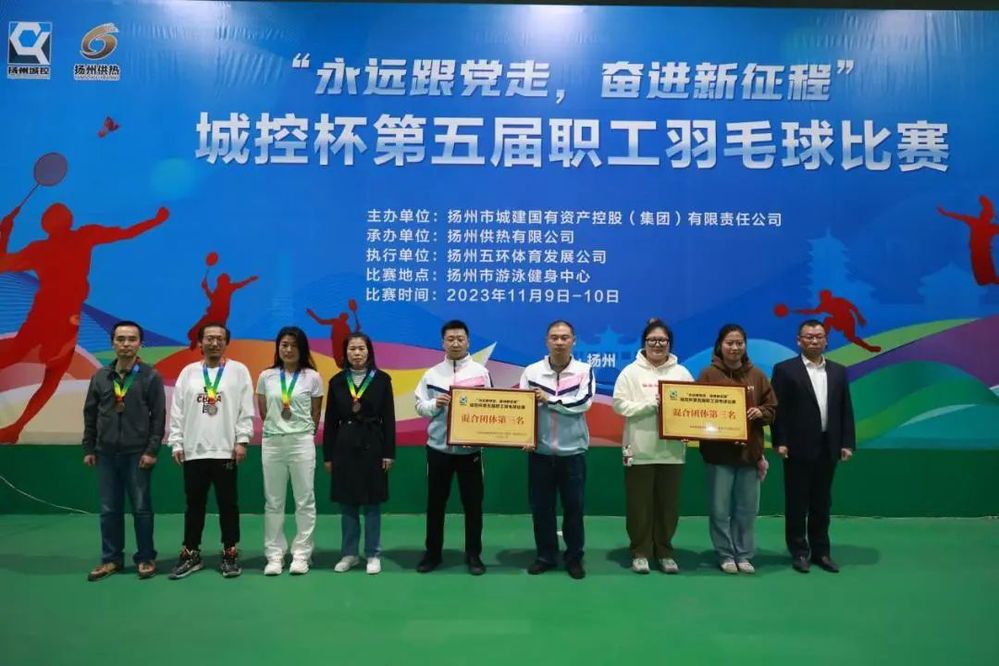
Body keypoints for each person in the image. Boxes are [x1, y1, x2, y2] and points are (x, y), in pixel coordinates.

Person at [167, 322, 254, 579]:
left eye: (219, 338)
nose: (214, 343)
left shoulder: (238, 371)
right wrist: (176, 442)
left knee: (228, 504)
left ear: (226, 342)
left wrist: (242, 440)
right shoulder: (188, 373)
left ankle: (230, 552)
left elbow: (246, 409)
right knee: (194, 504)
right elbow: (177, 410)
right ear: (200, 342)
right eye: (209, 338)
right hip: (194, 450)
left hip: (226, 450)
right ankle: (191, 552)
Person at [82, 321, 166, 581]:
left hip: (137, 454)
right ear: (113, 343)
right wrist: (89, 447)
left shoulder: (150, 376)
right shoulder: (100, 376)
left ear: (140, 343)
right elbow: (90, 413)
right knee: (109, 509)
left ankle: (146, 557)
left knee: (141, 509)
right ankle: (111, 559)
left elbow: (158, 417)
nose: (126, 344)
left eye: (131, 339)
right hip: (105, 454)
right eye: (121, 339)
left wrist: (151, 450)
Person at [771, 319, 856, 574]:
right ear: (799, 341)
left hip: (828, 446)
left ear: (826, 340)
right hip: (796, 447)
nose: (814, 341)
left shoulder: (838, 371)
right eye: (808, 337)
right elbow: (778, 410)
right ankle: (799, 551)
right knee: (797, 502)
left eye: (819, 336)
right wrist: (780, 441)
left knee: (822, 502)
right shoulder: (785, 370)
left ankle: (821, 552)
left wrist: (847, 442)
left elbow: (845, 409)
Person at [612, 318, 693, 574]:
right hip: (638, 450)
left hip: (672, 452)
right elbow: (619, 405)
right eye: (652, 340)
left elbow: (691, 408)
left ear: (670, 344)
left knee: (668, 506)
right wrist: (651, 405)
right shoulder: (630, 372)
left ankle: (665, 552)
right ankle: (640, 552)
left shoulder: (682, 374)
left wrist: (689, 429)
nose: (657, 345)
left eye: (662, 340)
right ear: (644, 343)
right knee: (639, 506)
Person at [696, 324, 777, 575]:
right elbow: (695, 410)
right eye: (729, 343)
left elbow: (772, 408)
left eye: (739, 343)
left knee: (747, 510)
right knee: (719, 509)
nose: (734, 347)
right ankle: (725, 554)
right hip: (718, 455)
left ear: (745, 346)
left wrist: (760, 412)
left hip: (749, 455)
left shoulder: (757, 376)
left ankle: (744, 554)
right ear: (720, 345)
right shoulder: (708, 375)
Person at [413, 319, 492, 575]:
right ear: (442, 343)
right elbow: (419, 406)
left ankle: (474, 555)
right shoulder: (432, 374)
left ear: (468, 342)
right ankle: (432, 554)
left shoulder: (481, 373)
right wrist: (434, 404)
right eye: (450, 339)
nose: (455, 343)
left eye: (460, 339)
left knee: (473, 505)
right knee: (436, 504)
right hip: (438, 450)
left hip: (470, 452)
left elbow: (491, 407)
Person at [518, 320, 595, 580]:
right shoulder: (532, 372)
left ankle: (574, 557)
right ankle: (545, 556)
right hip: (540, 453)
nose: (559, 342)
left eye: (564, 337)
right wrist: (525, 436)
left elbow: (583, 402)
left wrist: (549, 400)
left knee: (574, 508)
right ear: (546, 341)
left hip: (572, 453)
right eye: (554, 337)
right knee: (542, 509)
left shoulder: (584, 371)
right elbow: (522, 408)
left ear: (574, 341)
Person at [324, 332, 396, 575]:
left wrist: (388, 453)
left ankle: (373, 554)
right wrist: (328, 456)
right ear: (345, 353)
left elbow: (389, 419)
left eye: (361, 349)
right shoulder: (336, 381)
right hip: (344, 446)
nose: (356, 353)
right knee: (348, 503)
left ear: (369, 351)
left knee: (372, 503)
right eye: (352, 349)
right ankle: (349, 554)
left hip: (373, 445)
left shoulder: (382, 379)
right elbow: (330, 421)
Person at [256, 326, 324, 576]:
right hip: (273, 442)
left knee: (304, 500)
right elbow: (263, 411)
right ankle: (274, 555)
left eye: (294, 345)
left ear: (302, 348)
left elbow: (316, 412)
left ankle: (302, 554)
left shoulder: (312, 377)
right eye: (284, 345)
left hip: (301, 443)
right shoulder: (266, 376)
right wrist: (279, 427)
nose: (288, 349)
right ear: (278, 348)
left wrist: (302, 432)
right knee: (273, 501)